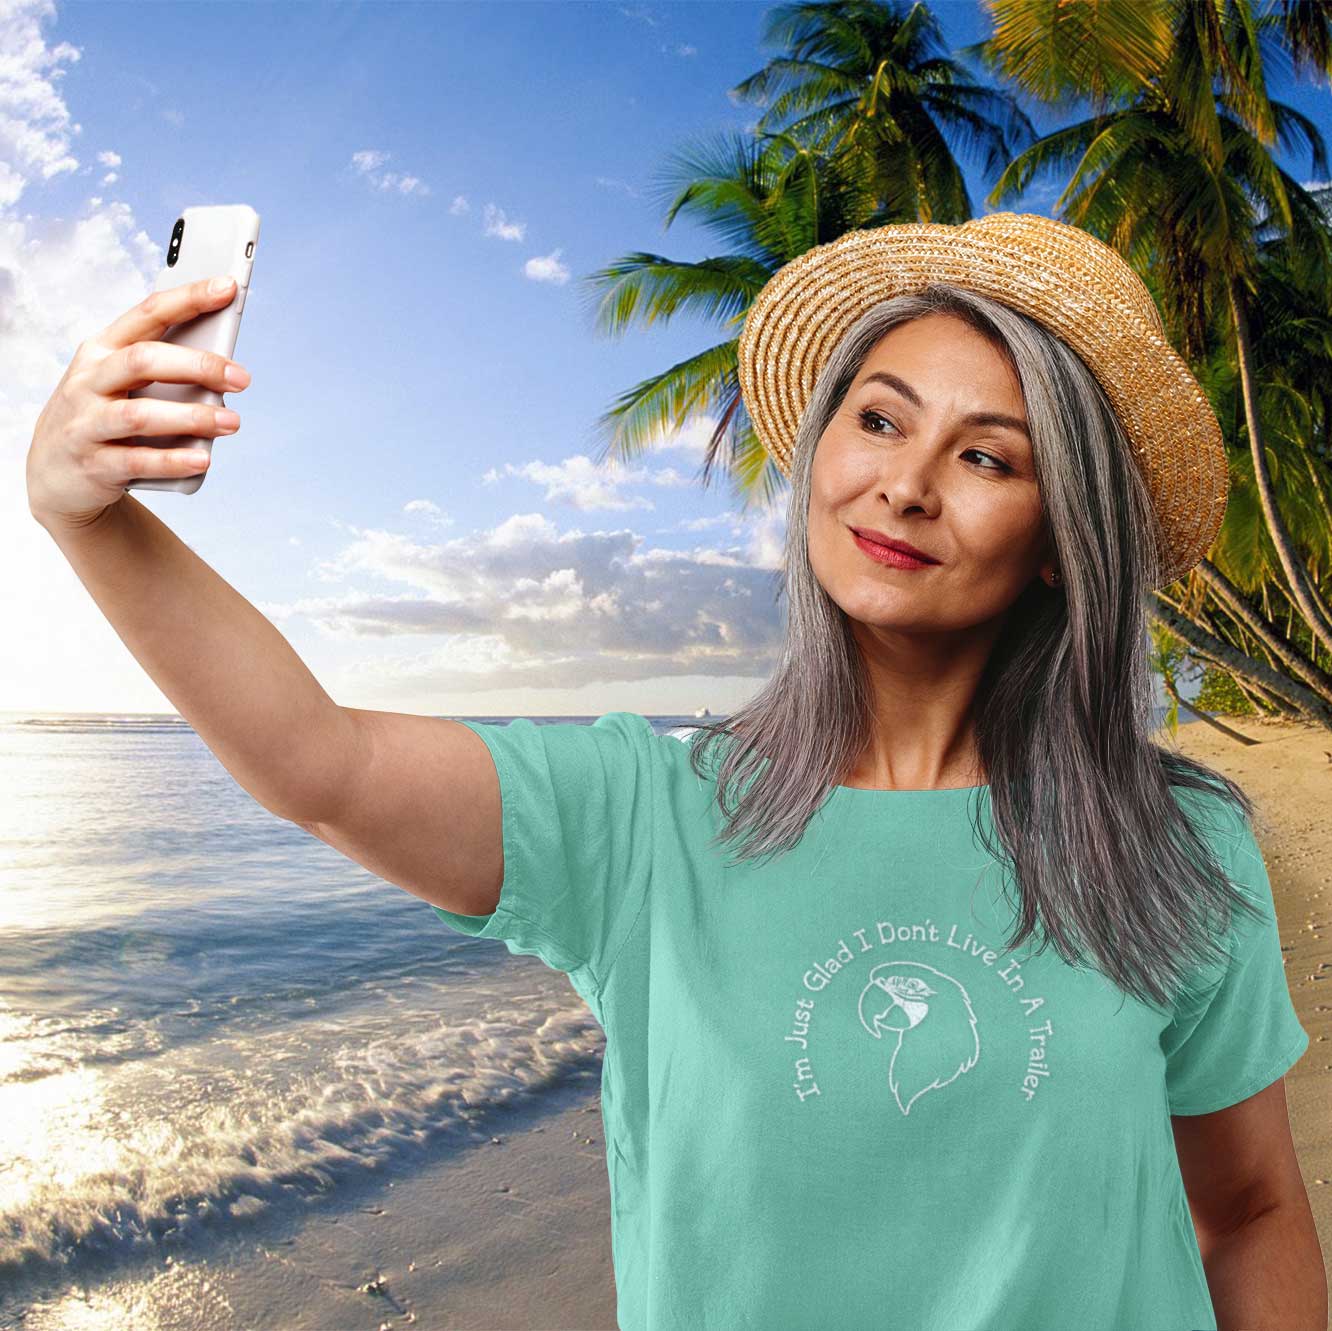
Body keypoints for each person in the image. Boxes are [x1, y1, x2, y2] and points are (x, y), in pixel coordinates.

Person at [25, 214, 1322, 1331]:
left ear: (1061, 542)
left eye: (987, 456)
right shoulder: (648, 813)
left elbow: (1255, 1206)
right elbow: (319, 762)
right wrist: (83, 513)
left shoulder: (1172, 844)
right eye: (879, 419)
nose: (905, 486)